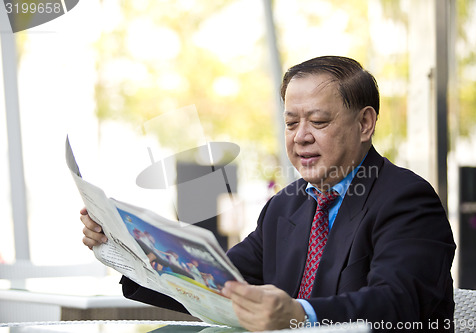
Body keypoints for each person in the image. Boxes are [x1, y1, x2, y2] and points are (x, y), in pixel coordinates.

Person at [80, 56, 455, 332]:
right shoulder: (284, 206)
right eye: (291, 123)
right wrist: (124, 247)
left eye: (319, 121)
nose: (301, 136)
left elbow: (400, 305)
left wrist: (298, 315)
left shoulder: (406, 199)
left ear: (365, 123)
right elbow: (216, 284)